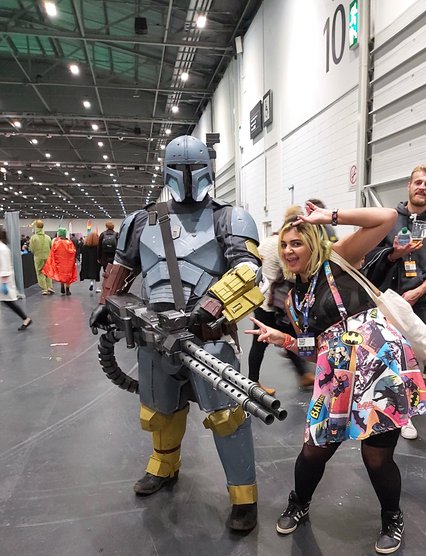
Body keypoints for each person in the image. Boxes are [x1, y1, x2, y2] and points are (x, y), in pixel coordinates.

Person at [90, 134, 263, 532]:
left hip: (209, 337)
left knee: (228, 417)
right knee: (159, 411)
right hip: (155, 336)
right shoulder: (141, 220)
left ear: (208, 170)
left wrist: (214, 303)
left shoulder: (229, 218)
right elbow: (122, 267)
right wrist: (107, 303)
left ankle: (244, 496)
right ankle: (163, 466)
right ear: (166, 170)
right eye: (179, 169)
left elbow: (249, 269)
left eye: (194, 168)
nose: (187, 177)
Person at [246, 201, 426, 554]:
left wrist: (329, 216)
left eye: (297, 243)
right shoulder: (292, 298)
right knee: (314, 450)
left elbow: (386, 217)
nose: (289, 250)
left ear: (313, 244)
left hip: (379, 368)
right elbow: (314, 348)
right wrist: (282, 339)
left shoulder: (337, 259)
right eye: (284, 244)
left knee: (376, 457)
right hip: (336, 374)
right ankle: (299, 503)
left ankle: (392, 517)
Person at [364, 164, 426, 440]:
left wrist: (420, 290)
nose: (422, 187)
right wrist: (394, 254)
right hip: (382, 299)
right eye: (418, 182)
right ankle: (375, 405)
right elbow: (369, 255)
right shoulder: (388, 218)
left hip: (415, 301)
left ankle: (406, 414)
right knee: (381, 356)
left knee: (410, 359)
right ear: (409, 186)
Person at [247, 205, 315, 395]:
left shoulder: (268, 241)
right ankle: (252, 382)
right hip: (272, 303)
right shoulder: (280, 246)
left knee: (286, 337)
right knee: (264, 341)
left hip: (263, 298)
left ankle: (303, 374)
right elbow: (290, 273)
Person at [0, 227, 32, 330]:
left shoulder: (2, 249)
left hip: (3, 280)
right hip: (3, 279)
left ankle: (25, 318)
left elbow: (5, 266)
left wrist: (4, 283)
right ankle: (25, 318)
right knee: (8, 302)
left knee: (9, 302)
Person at [42, 228, 78, 295]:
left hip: (59, 262)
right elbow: (73, 251)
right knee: (68, 275)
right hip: (68, 262)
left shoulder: (56, 242)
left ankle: (62, 286)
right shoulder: (69, 242)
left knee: (61, 274)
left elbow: (52, 252)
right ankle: (67, 289)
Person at [29, 219, 54, 295]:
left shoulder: (33, 238)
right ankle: (50, 286)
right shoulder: (48, 237)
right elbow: (51, 247)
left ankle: (44, 288)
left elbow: (31, 249)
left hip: (38, 257)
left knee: (40, 272)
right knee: (48, 272)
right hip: (47, 257)